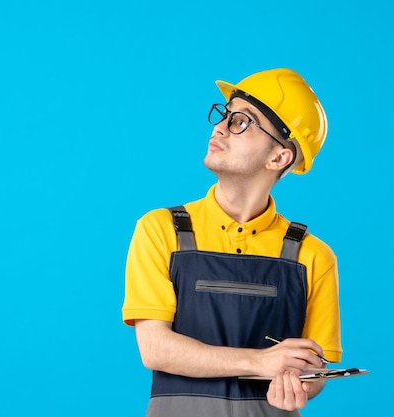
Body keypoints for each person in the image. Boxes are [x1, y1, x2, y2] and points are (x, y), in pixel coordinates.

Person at [122, 68, 342, 417]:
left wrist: (300, 382)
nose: (220, 126)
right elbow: (155, 349)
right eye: (225, 114)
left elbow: (315, 368)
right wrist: (261, 362)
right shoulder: (161, 230)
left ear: (279, 157)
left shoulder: (313, 256)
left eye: (242, 121)